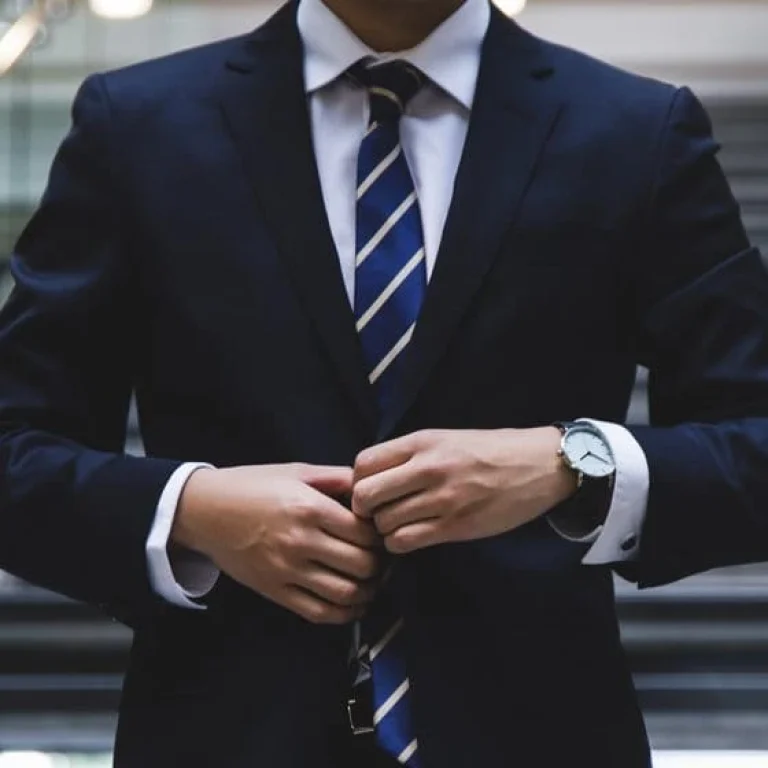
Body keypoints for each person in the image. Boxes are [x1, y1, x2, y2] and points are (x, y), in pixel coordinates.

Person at [0, 0, 767, 765]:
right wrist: (191, 511)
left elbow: (753, 440)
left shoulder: (636, 130)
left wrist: (571, 464)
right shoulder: (136, 125)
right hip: (224, 733)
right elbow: (14, 449)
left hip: (537, 733)